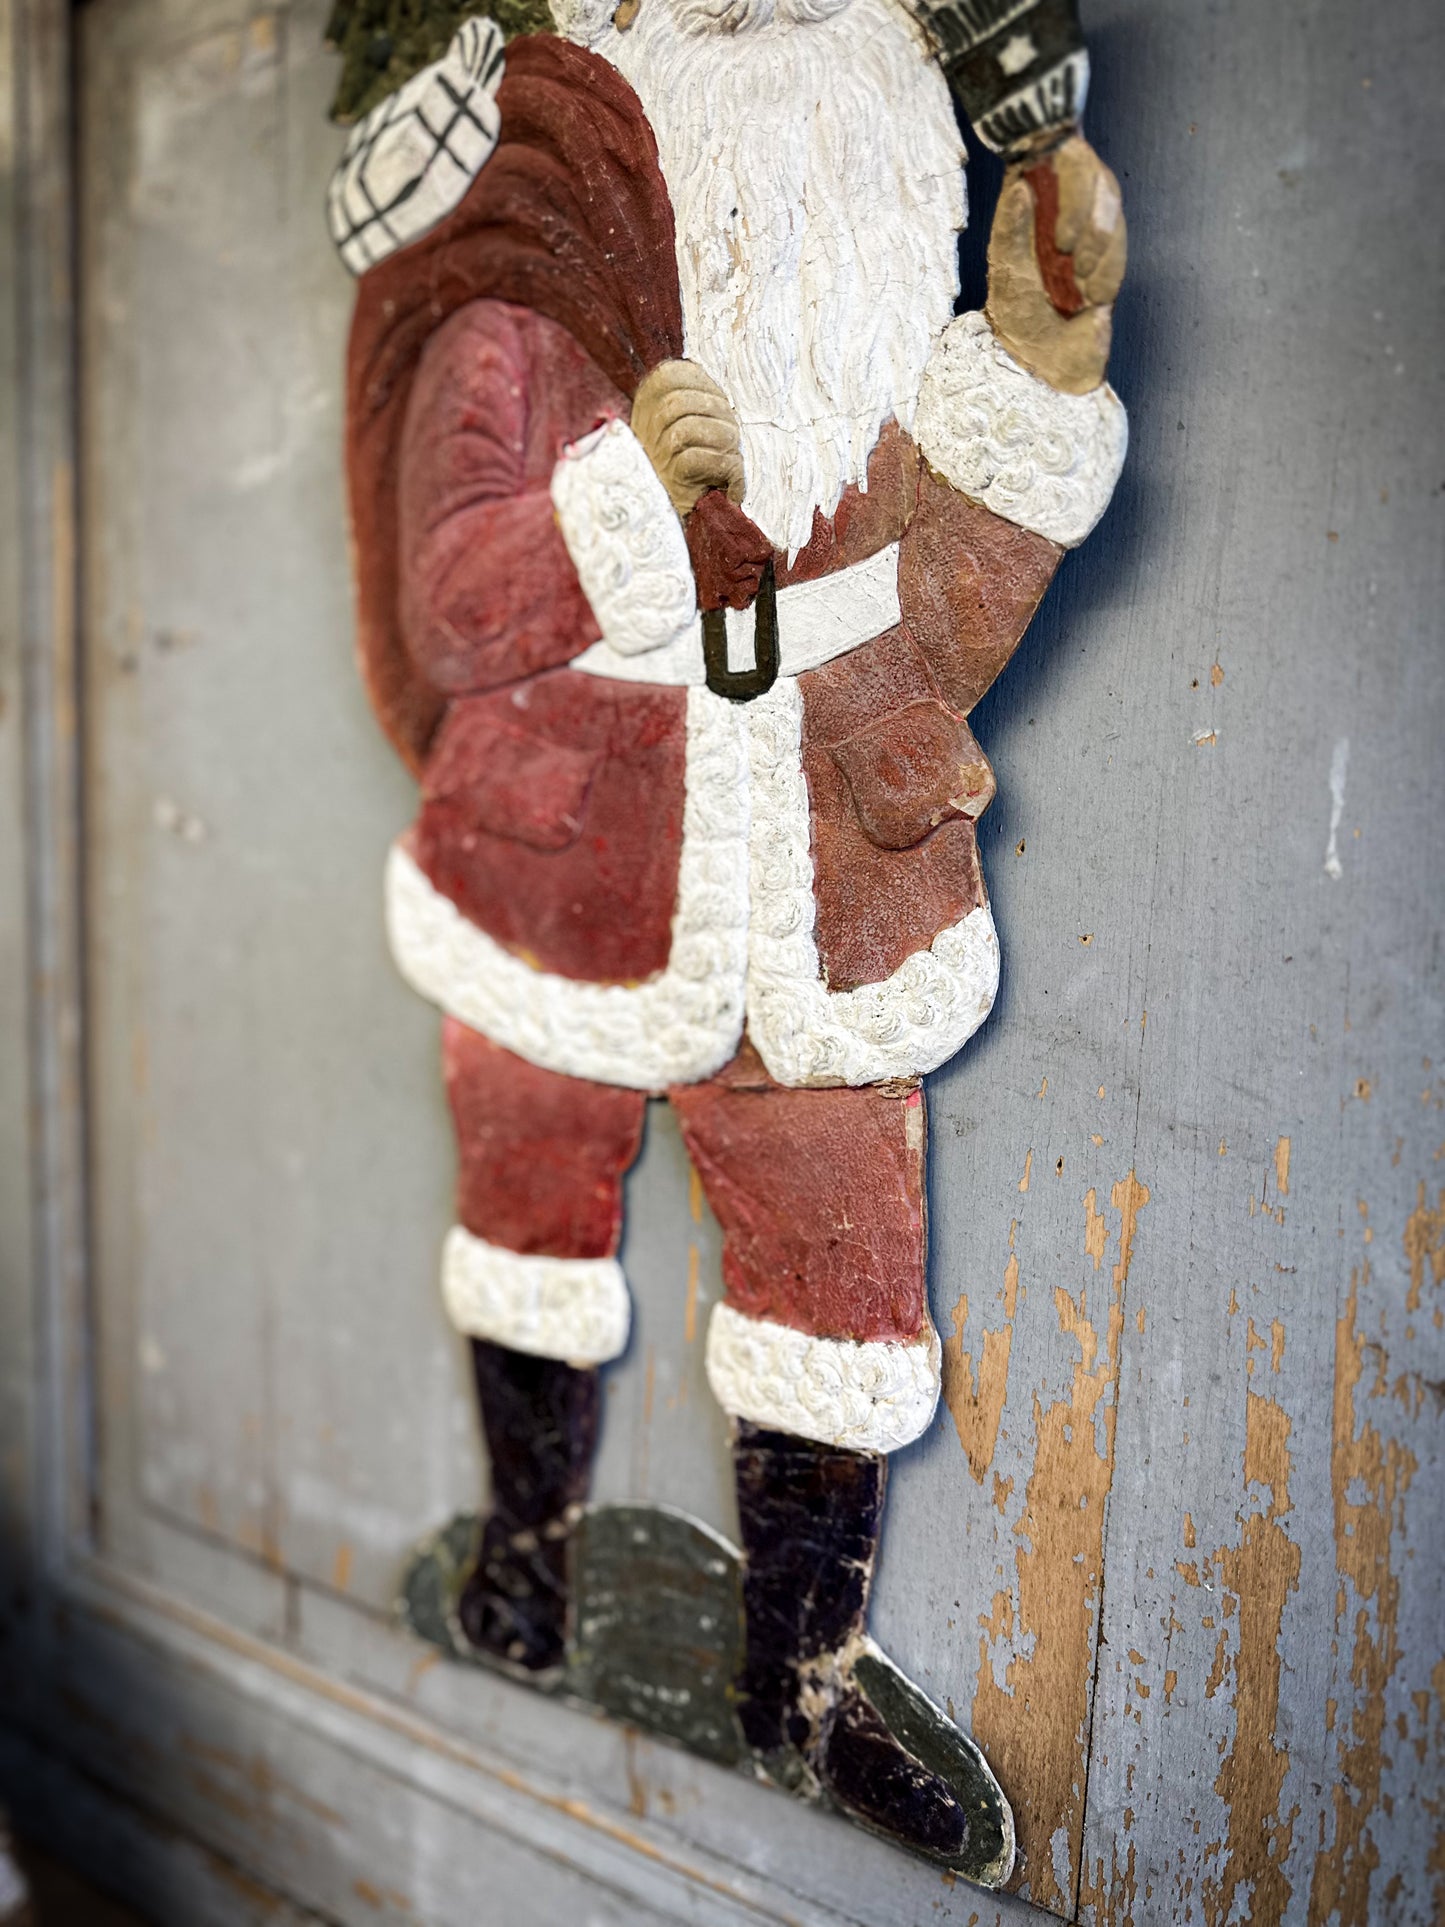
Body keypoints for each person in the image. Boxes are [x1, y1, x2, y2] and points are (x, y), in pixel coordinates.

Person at [337, 0, 1126, 1871]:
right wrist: (620, 502)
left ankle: (803, 1686)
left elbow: (942, 608)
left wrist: (1034, 362)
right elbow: (455, 596)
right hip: (562, 859)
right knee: (529, 1204)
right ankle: (526, 1566)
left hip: (824, 884)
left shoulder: (875, 354)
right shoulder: (522, 295)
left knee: (841, 1272)